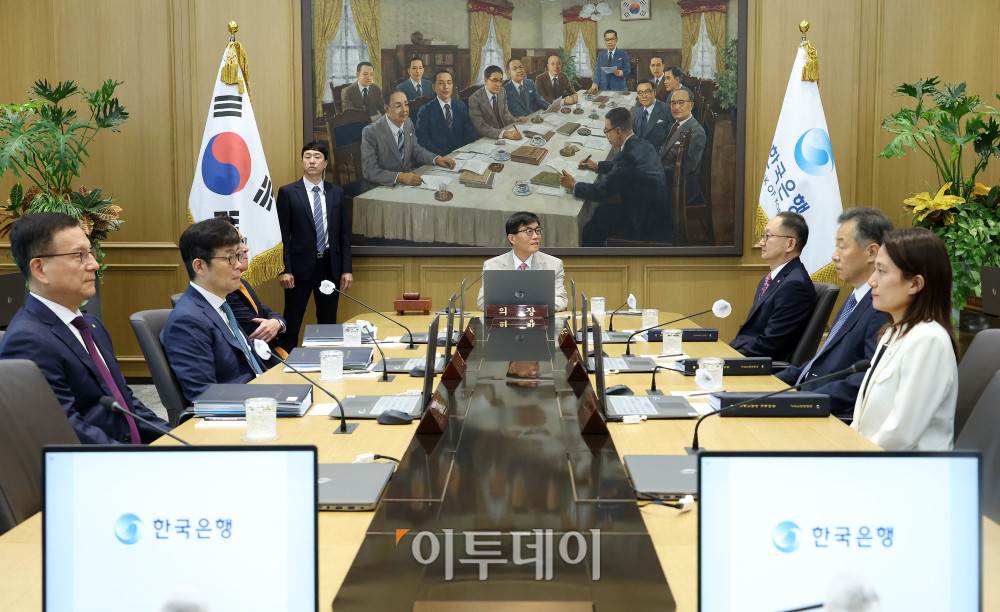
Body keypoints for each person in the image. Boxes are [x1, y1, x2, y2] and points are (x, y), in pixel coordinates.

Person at [0, 212, 170, 444]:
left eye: (91, 253)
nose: (94, 264)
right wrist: (136, 458)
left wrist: (176, 440)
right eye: (79, 255)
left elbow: (124, 401)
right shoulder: (28, 340)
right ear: (40, 269)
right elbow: (64, 430)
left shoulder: (90, 324)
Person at [777, 208, 893, 418]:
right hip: (806, 397)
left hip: (829, 412)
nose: (834, 256)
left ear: (872, 252)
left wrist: (804, 401)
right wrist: (771, 382)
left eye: (842, 246)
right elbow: (821, 363)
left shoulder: (880, 307)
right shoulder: (854, 299)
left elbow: (867, 378)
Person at [852, 228, 958, 451]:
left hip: (905, 469)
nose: (871, 281)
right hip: (873, 460)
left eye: (881, 271)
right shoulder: (892, 332)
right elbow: (863, 423)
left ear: (915, 284)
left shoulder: (929, 340)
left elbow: (900, 436)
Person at [161, 218, 269, 404]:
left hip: (260, 394)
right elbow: (204, 396)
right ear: (200, 266)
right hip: (242, 411)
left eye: (238, 255)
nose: (238, 265)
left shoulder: (220, 304)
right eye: (230, 258)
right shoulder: (187, 321)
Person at [276, 141, 353, 352]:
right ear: (302, 161)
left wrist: (346, 269)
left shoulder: (336, 193)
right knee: (292, 320)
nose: (312, 160)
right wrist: (285, 269)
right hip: (298, 268)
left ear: (325, 163)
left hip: (329, 265)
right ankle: (285, 361)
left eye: (317, 157)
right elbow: (281, 235)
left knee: (328, 321)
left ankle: (326, 360)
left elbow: (344, 235)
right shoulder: (288, 192)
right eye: (307, 156)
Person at [558, 107, 669, 245]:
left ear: (618, 131)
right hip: (654, 211)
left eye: (606, 131)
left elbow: (601, 191)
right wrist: (597, 165)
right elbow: (623, 169)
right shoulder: (642, 143)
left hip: (642, 222)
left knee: (589, 229)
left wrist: (573, 185)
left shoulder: (627, 156)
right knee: (599, 212)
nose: (606, 136)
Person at [730, 211, 817, 361]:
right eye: (763, 236)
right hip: (747, 356)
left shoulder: (795, 285)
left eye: (768, 236)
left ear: (790, 244)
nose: (761, 242)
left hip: (763, 367)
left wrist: (729, 358)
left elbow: (770, 343)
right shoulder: (772, 279)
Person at [222, 217, 288, 366]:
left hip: (270, 355)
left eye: (243, 241)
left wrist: (277, 322)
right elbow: (258, 331)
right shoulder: (225, 291)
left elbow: (265, 311)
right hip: (259, 362)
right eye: (238, 244)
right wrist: (274, 323)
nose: (245, 248)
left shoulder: (241, 282)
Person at [361, 90, 456, 192]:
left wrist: (436, 159)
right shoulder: (371, 132)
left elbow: (415, 149)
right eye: (398, 106)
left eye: (406, 104)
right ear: (387, 108)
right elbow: (369, 171)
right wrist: (400, 177)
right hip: (380, 188)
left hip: (407, 184)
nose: (404, 110)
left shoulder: (407, 123)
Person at [477, 211, 568, 312]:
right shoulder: (492, 266)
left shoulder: (554, 264)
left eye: (538, 230)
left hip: (540, 319)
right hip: (507, 320)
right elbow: (483, 302)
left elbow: (561, 299)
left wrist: (530, 310)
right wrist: (517, 311)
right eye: (529, 231)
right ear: (512, 238)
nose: (536, 236)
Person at [659, 87, 707, 207]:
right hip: (667, 176)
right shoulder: (677, 124)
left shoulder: (696, 132)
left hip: (682, 187)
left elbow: (686, 166)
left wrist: (656, 171)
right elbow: (664, 150)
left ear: (691, 105)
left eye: (681, 103)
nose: (676, 107)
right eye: (673, 103)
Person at [415, 69, 476, 157]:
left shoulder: (460, 106)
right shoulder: (425, 111)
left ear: (452, 86)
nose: (446, 87)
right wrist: (444, 157)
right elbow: (423, 140)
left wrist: (467, 153)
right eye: (441, 83)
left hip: (461, 155)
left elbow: (469, 135)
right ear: (434, 87)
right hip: (439, 157)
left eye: (449, 83)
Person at [468, 65, 523, 140]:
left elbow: (505, 114)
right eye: (495, 80)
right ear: (485, 80)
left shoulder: (502, 91)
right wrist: (504, 134)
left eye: (501, 81)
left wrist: (515, 120)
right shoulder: (474, 99)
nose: (499, 85)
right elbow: (480, 126)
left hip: (504, 134)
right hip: (486, 138)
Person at [632, 80, 671, 150]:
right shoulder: (639, 110)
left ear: (654, 92)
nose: (644, 96)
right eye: (640, 93)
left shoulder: (666, 109)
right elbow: (635, 132)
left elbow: (672, 136)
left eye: (647, 92)